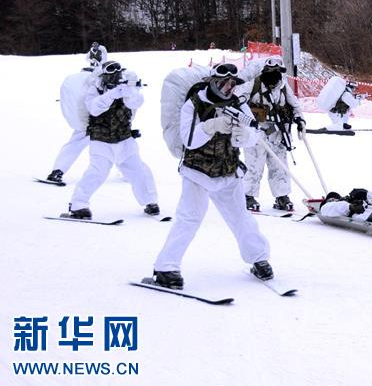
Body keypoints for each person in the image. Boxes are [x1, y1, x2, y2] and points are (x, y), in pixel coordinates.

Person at [152, 63, 274, 289]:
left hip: (228, 172)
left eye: (232, 84)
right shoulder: (194, 104)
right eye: (223, 83)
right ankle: (166, 268)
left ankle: (259, 259)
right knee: (189, 219)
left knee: (242, 219)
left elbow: (254, 135)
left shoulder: (238, 103)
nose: (229, 88)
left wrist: (243, 135)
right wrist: (212, 125)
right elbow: (189, 141)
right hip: (197, 172)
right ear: (212, 82)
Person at [64, 61, 160, 219]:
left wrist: (128, 91)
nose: (114, 73)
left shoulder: (126, 84)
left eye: (117, 69)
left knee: (138, 171)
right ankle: (78, 205)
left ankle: (150, 202)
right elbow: (94, 109)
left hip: (124, 139)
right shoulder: (94, 89)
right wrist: (111, 94)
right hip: (101, 141)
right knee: (97, 173)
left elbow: (137, 102)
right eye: (110, 70)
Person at [241, 56, 306, 212]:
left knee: (280, 166)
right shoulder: (254, 85)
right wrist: (250, 118)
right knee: (254, 166)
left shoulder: (283, 86)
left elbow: (295, 105)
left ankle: (282, 196)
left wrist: (300, 120)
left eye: (277, 71)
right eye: (270, 71)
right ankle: (248, 196)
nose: (274, 74)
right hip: (256, 133)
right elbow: (239, 102)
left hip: (278, 133)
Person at [45, 43, 108, 184]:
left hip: (82, 121)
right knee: (122, 144)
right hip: (98, 121)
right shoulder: (97, 79)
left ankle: (57, 170)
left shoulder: (74, 79)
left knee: (74, 145)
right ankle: (130, 173)